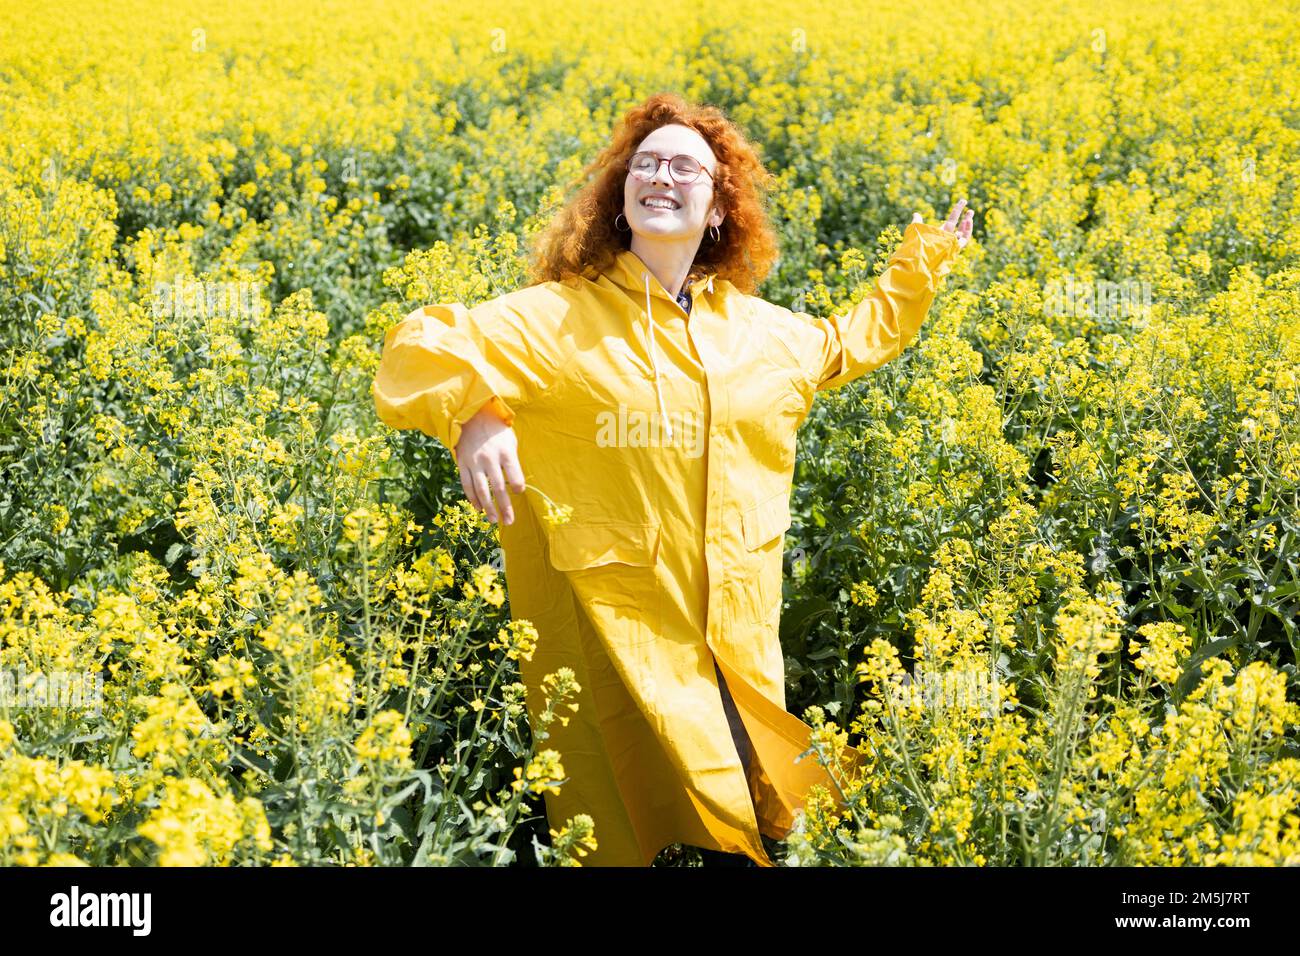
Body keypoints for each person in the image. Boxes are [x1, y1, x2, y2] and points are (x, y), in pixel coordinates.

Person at [372, 92, 974, 867]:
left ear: (718, 208)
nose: (661, 174)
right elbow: (422, 341)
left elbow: (845, 344)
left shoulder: (761, 333)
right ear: (622, 198)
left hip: (735, 625)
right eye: (646, 163)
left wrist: (921, 263)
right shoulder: (556, 319)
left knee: (755, 809)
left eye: (686, 166)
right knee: (620, 814)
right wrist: (474, 413)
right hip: (619, 630)